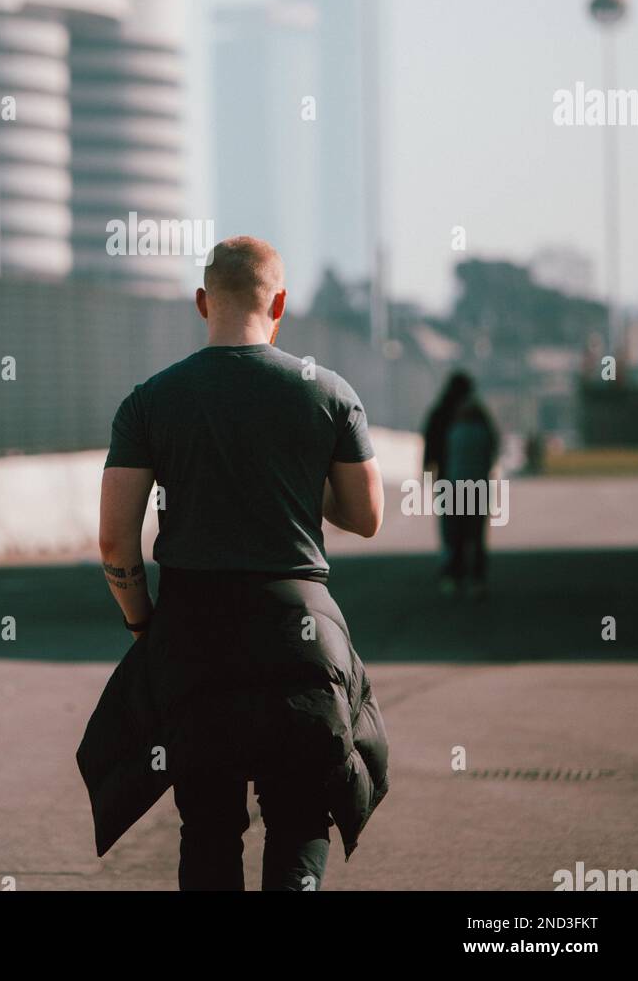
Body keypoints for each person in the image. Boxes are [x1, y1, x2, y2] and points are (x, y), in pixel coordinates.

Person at [79, 236, 389, 892]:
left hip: (193, 636)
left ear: (201, 301)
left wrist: (144, 627)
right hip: (300, 636)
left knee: (210, 826)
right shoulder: (329, 392)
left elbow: (114, 542)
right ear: (279, 303)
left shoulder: (151, 400)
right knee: (301, 816)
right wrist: (293, 475)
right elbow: (365, 517)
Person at [422, 373, 500, 599]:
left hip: (448, 481)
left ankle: (452, 575)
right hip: (477, 483)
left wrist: (427, 473)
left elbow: (430, 448)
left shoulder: (439, 413)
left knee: (452, 530)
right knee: (475, 531)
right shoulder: (479, 416)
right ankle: (476, 577)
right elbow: (492, 447)